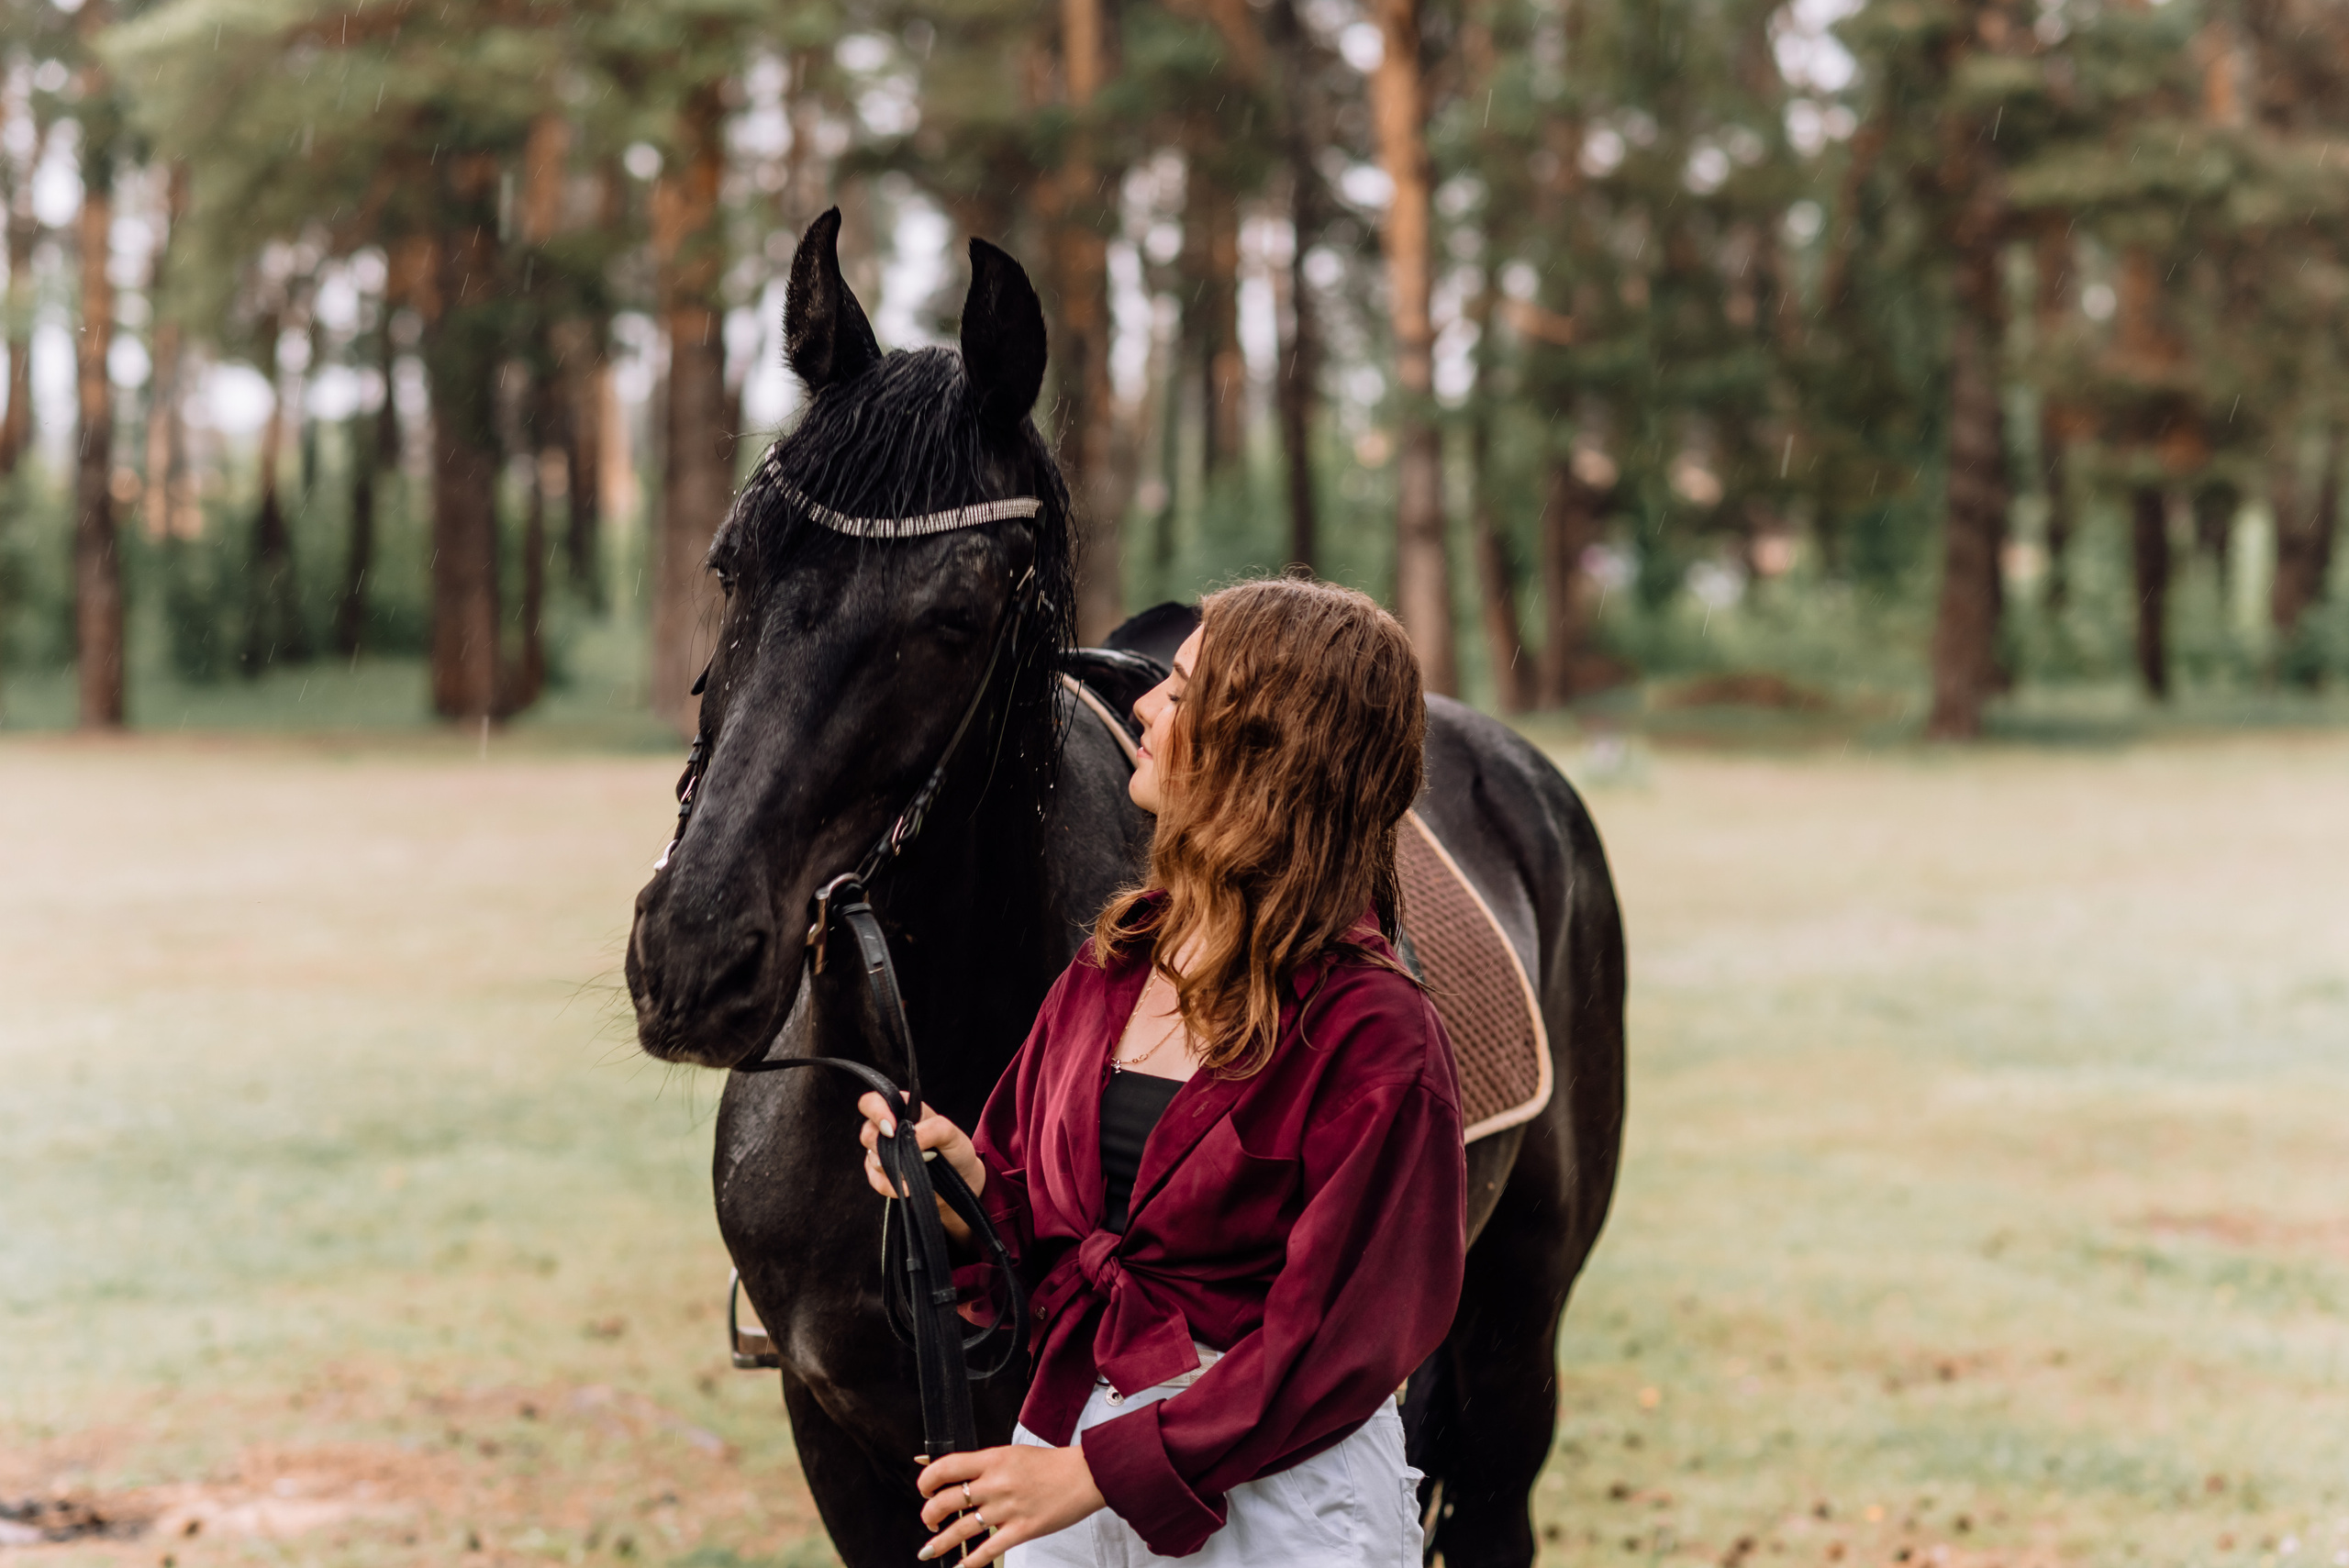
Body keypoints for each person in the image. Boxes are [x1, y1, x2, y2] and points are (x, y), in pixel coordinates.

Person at [855, 576, 1466, 1567]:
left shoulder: (1376, 1034)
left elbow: (1335, 1342)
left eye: (1179, 691)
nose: (1141, 703)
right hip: (1059, 1479)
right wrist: (962, 1185)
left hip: (1280, 1508)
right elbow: (1040, 1230)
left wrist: (1096, 1470)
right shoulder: (1109, 969)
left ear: (1266, 745)